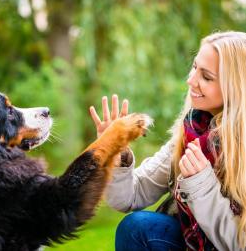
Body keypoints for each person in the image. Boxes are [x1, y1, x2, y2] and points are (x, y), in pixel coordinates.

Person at [89, 31, 246, 251]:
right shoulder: (193, 132)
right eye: (194, 67)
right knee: (137, 227)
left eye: (207, 77)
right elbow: (130, 197)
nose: (191, 80)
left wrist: (202, 186)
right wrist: (116, 152)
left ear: (236, 88)